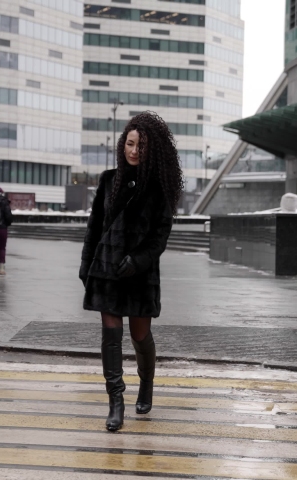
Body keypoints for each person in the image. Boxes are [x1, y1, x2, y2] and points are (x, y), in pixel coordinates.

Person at [79, 112, 182, 432]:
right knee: (111, 336)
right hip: (107, 271)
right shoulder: (109, 180)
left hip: (140, 274)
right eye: (130, 143)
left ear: (154, 150)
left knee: (140, 336)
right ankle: (116, 402)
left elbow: (159, 237)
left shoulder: (158, 187)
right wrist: (86, 265)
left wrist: (138, 261)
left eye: (141, 146)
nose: (133, 150)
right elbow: (94, 226)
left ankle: (146, 382)